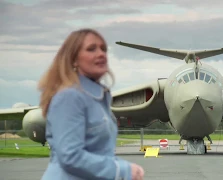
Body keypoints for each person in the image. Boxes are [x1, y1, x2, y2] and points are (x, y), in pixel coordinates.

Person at [38, 28, 145, 180]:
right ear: (73, 59)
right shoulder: (69, 97)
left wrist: (127, 168)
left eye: (104, 49)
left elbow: (98, 153)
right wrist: (122, 170)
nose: (101, 54)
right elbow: (71, 156)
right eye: (91, 49)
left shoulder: (98, 98)